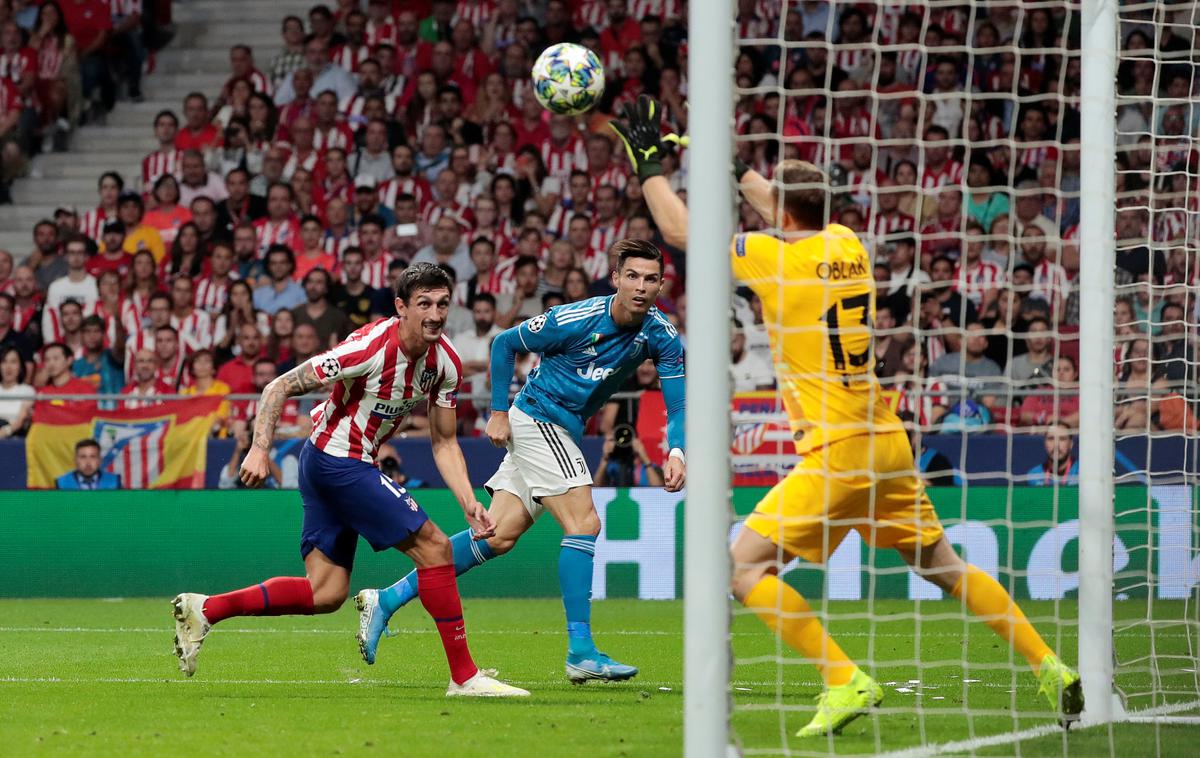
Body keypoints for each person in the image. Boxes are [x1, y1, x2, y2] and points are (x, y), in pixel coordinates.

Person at [612, 95, 1081, 735]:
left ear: (784, 210)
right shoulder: (847, 244)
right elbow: (785, 203)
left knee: (740, 566)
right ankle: (1049, 664)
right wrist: (730, 164)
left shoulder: (777, 261)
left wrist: (649, 169)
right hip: (886, 440)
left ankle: (844, 679)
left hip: (835, 451)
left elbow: (678, 233)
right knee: (943, 566)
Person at [171, 262, 527, 697]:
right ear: (401, 307)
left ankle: (204, 609)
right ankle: (465, 677)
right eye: (424, 304)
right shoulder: (368, 349)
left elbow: (444, 442)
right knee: (435, 549)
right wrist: (260, 448)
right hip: (338, 462)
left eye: (442, 304)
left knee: (326, 592)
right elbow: (277, 387)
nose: (435, 314)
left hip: (329, 461)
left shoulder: (445, 362)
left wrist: (468, 501)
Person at [358, 239, 686, 684]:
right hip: (535, 417)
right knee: (584, 523)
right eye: (632, 276)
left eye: (650, 279)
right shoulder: (576, 318)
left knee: (496, 537)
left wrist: (677, 451)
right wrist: (497, 411)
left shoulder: (661, 335)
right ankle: (581, 650)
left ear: (661, 284)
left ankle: (387, 599)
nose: (641, 286)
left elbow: (678, 405)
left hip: (562, 428)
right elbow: (503, 343)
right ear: (615, 279)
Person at [1025, 422, 1079, 486]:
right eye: (1051, 439)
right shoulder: (1034, 475)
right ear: (1045, 443)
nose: (1056, 445)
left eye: (1062, 439)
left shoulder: (1082, 471)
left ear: (1071, 444)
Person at [55, 438, 121, 490]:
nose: (88, 462)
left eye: (93, 457)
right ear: (75, 460)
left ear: (100, 460)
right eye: (83, 457)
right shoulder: (62, 483)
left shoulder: (114, 481)